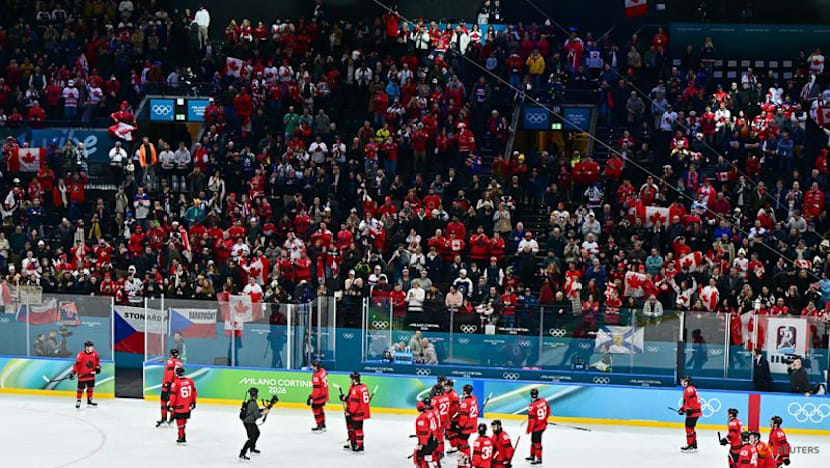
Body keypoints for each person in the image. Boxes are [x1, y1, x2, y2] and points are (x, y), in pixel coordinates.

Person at [448, 384, 479, 464]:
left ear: (464, 392)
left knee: (463, 442)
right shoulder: (474, 399)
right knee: (463, 441)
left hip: (466, 426)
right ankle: (466, 457)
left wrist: (460, 425)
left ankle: (466, 459)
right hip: (472, 425)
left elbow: (464, 417)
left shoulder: (465, 403)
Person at [341, 372, 370, 452]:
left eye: (351, 379)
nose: (350, 380)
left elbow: (354, 403)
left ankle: (359, 446)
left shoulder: (355, 389)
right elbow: (353, 399)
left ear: (354, 380)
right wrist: (345, 398)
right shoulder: (363, 386)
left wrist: (350, 412)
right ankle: (353, 443)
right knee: (355, 428)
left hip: (357, 413)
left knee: (357, 429)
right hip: (361, 411)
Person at [239, 387, 270, 460]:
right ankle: (242, 453)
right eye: (257, 394)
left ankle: (252, 448)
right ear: (255, 394)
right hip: (249, 422)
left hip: (249, 421)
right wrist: (264, 412)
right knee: (251, 438)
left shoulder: (250, 401)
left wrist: (263, 409)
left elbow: (255, 410)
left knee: (257, 433)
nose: (257, 395)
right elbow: (257, 415)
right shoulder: (253, 403)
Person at [167, 367, 197, 444]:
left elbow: (173, 396)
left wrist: (171, 405)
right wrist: (193, 402)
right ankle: (182, 435)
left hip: (179, 407)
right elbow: (194, 392)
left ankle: (181, 437)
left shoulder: (175, 383)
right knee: (183, 421)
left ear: (176, 374)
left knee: (180, 423)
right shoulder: (190, 381)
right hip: (187, 406)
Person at [70, 340, 100, 408]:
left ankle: (89, 401)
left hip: (91, 376)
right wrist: (73, 372)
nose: (92, 348)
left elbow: (97, 362)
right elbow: (76, 365)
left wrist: (98, 368)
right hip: (82, 376)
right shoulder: (81, 355)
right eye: (90, 346)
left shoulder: (94, 354)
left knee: (90, 388)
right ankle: (78, 401)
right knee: (80, 389)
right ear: (86, 347)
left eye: (92, 346)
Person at [156, 348, 183, 427]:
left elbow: (170, 373)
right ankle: (172, 420)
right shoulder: (179, 362)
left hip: (168, 385)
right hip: (176, 384)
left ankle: (164, 419)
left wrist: (168, 383)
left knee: (163, 401)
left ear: (171, 354)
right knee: (173, 402)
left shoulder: (170, 361)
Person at [526, 388, 549, 465]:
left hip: (537, 428)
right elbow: (548, 410)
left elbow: (531, 421)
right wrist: (545, 419)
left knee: (537, 442)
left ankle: (539, 459)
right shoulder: (543, 401)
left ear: (531, 395)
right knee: (533, 441)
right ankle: (532, 456)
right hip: (543, 425)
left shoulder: (532, 406)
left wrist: (528, 430)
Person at [678, 376, 701, 452]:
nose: (681, 382)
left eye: (683, 381)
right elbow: (687, 403)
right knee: (691, 428)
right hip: (694, 412)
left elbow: (693, 401)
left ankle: (690, 445)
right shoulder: (690, 389)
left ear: (686, 382)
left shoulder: (689, 389)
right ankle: (694, 445)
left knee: (689, 428)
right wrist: (682, 409)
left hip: (693, 413)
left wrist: (689, 410)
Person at [413, 397, 438, 468]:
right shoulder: (430, 414)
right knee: (430, 457)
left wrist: (421, 444)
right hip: (434, 439)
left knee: (420, 457)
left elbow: (424, 433)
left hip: (428, 441)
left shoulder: (421, 419)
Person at [308, 360, 329, 432]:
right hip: (325, 394)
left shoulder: (316, 376)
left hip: (319, 396)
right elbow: (326, 374)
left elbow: (317, 389)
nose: (311, 367)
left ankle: (319, 425)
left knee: (316, 410)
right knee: (320, 409)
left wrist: (312, 397)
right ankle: (323, 425)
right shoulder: (323, 370)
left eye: (313, 366)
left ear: (316, 367)